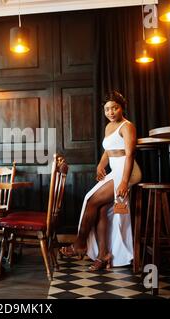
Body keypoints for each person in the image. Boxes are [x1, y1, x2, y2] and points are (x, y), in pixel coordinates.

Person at [59, 91, 142, 270]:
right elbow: (108, 150)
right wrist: (100, 165)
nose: (111, 112)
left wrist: (123, 182)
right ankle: (103, 254)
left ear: (122, 108)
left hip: (126, 172)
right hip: (115, 170)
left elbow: (129, 155)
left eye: (114, 108)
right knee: (102, 208)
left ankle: (79, 244)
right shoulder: (109, 127)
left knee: (91, 200)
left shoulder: (127, 126)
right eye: (107, 109)